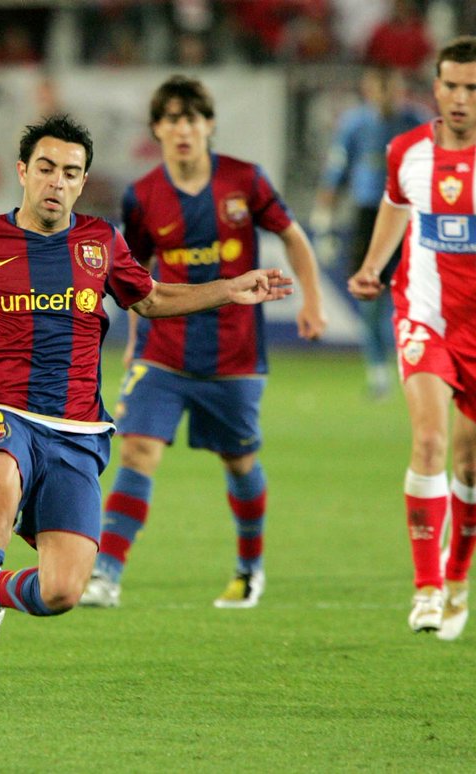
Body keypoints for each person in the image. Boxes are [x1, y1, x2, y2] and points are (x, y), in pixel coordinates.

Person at [0, 114, 295, 702]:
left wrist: (228, 289)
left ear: (82, 181)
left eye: (70, 173)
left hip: (76, 427)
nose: (57, 182)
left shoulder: (101, 242)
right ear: (23, 172)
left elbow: (151, 299)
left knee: (62, 591)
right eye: (46, 168)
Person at [80, 75, 326, 611]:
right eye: (172, 119)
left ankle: (249, 567)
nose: (183, 129)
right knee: (138, 450)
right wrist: (133, 338)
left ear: (209, 125)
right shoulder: (143, 195)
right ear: (157, 129)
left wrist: (312, 299)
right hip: (162, 351)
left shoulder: (244, 180)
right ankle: (106, 574)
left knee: (239, 461)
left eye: (192, 118)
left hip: (234, 355)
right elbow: (136, 273)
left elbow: (291, 234)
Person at [348, 36, 476, 641]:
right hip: (424, 316)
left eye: (472, 88)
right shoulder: (408, 151)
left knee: (469, 466)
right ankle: (425, 588)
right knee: (428, 441)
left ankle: (456, 576)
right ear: (436, 87)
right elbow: (396, 205)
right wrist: (373, 266)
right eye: (452, 85)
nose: (460, 97)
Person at [315, 66, 432, 399]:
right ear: (368, 90)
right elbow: (334, 176)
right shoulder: (354, 125)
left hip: (412, 216)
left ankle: (417, 367)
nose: (385, 97)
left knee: (414, 298)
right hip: (368, 216)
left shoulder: (417, 123)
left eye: (391, 89)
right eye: (379, 89)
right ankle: (378, 372)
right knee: (369, 297)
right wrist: (324, 224)